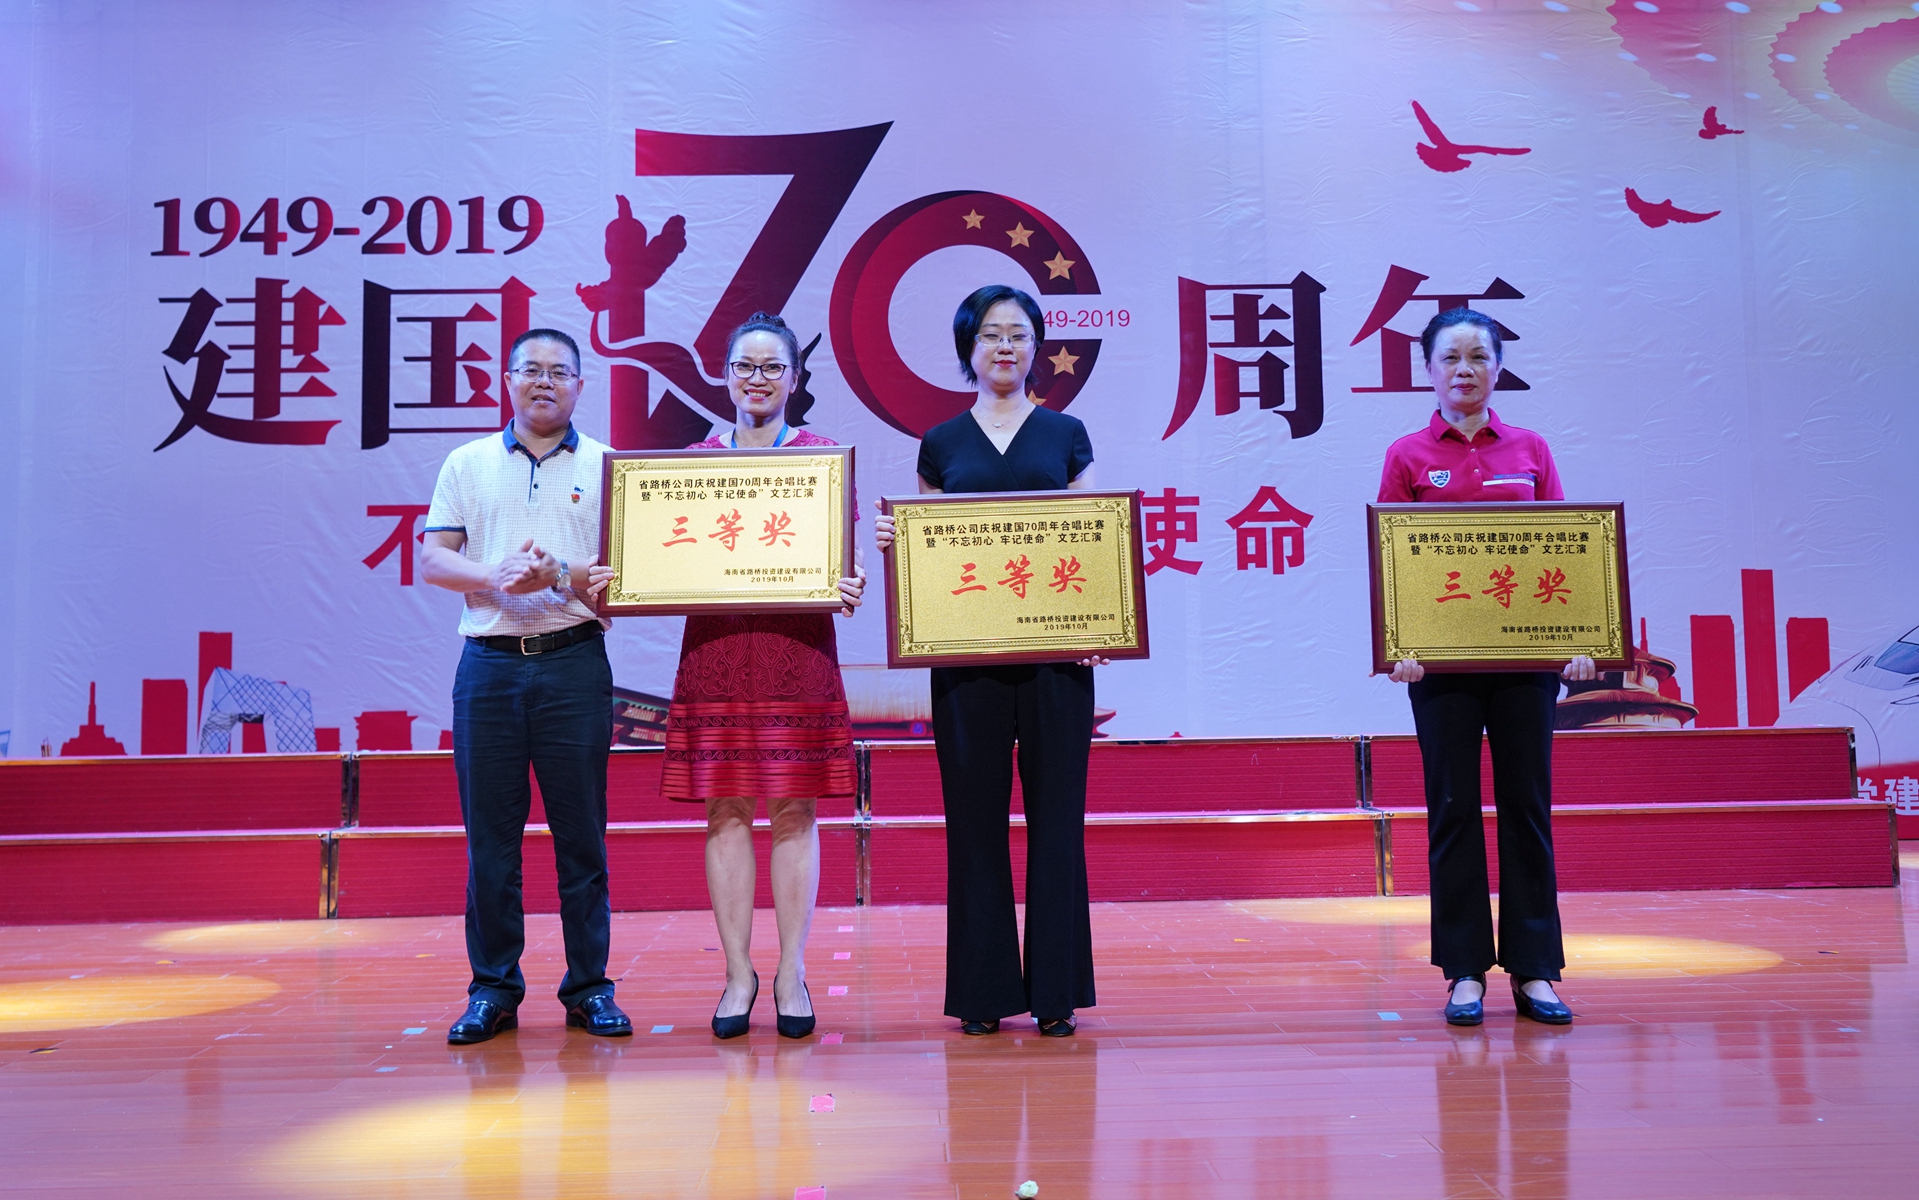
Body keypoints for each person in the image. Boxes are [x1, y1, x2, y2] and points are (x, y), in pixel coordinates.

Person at [873, 285, 1103, 1037]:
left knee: (1057, 821)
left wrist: (1098, 620)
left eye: (1018, 334)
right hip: (965, 659)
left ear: (1036, 348)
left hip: (1056, 656)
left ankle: (1055, 995)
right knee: (973, 823)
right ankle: (982, 992)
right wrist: (900, 546)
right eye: (990, 335)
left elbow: (1090, 540)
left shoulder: (1067, 434)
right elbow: (934, 562)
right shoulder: (940, 443)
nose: (1005, 346)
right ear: (967, 349)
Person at [1377, 307, 1595, 1027]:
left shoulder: (1530, 448)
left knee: (1527, 807)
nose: (1463, 370)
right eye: (1450, 358)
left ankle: (1535, 968)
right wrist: (1399, 646)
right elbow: (1392, 560)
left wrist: (1578, 637)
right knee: (1451, 809)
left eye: (1478, 357)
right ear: (1428, 370)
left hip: (1525, 662)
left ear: (1498, 369)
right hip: (1440, 670)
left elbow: (1566, 547)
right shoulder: (1408, 455)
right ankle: (1463, 969)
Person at [421, 327, 631, 1045]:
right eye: (531, 370)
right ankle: (493, 988)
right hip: (489, 667)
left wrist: (557, 575)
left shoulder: (607, 466)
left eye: (559, 372)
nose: (545, 382)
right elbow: (434, 559)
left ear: (580, 385)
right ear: (507, 380)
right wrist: (497, 574)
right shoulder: (467, 462)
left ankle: (589, 987)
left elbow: (624, 581)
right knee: (491, 841)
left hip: (574, 663)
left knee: (583, 839)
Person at [663, 312, 869, 1041]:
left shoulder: (820, 459)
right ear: (725, 376)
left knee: (794, 811)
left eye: (772, 367)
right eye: (745, 367)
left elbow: (839, 561)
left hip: (795, 650)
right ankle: (736, 974)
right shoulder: (690, 463)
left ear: (794, 378)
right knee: (724, 810)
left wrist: (848, 581)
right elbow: (665, 558)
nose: (757, 379)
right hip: (716, 652)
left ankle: (790, 971)